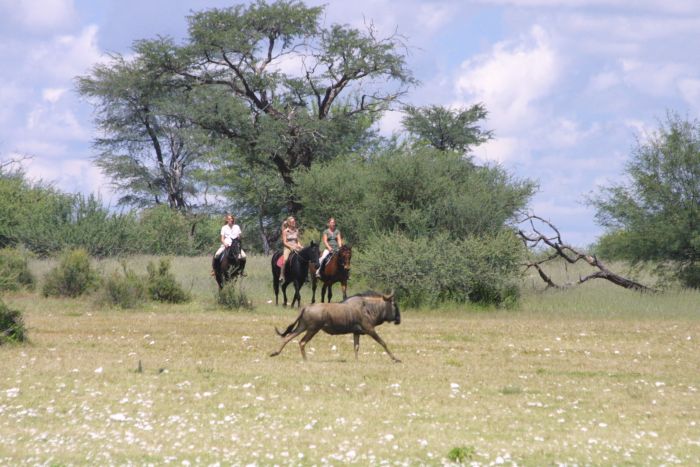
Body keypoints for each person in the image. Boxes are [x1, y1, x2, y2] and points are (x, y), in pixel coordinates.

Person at [279, 216, 302, 283]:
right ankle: (281, 275)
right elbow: (284, 242)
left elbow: (297, 241)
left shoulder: (296, 230)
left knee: (305, 256)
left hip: (296, 246)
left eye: (294, 221)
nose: (294, 223)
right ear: (289, 223)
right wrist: (290, 247)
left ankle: (305, 275)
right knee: (285, 259)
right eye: (292, 222)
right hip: (288, 247)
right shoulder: (285, 231)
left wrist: (300, 246)